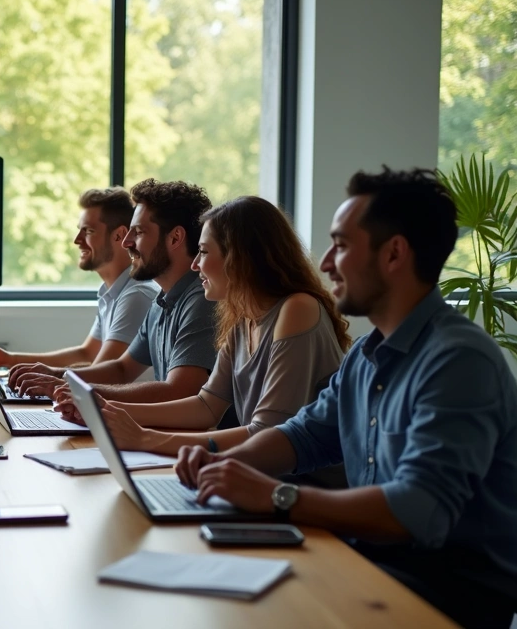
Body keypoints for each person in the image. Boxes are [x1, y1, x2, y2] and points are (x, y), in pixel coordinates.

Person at [176, 168, 517, 628]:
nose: (327, 263)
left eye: (341, 245)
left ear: (394, 253)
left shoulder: (458, 361)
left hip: (446, 593)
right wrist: (217, 458)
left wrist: (275, 495)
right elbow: (303, 435)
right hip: (369, 561)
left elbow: (419, 511)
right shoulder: (365, 357)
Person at [72, 197, 351, 466]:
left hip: (306, 488)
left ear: (239, 258)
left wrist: (148, 439)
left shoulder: (297, 309)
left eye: (204, 252)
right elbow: (206, 405)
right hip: (257, 474)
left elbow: (268, 432)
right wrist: (106, 412)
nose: (195, 265)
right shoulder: (241, 318)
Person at [11, 179, 218, 406]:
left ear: (175, 238)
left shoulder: (201, 300)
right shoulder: (161, 302)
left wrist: (69, 389)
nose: (127, 242)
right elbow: (121, 369)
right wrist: (56, 375)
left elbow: (179, 391)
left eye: (138, 232)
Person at [0, 188, 156, 370]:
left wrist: (46, 375)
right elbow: (87, 353)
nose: (77, 240)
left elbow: (100, 374)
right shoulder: (111, 292)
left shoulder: (136, 296)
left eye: (88, 231)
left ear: (119, 235)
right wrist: (9, 359)